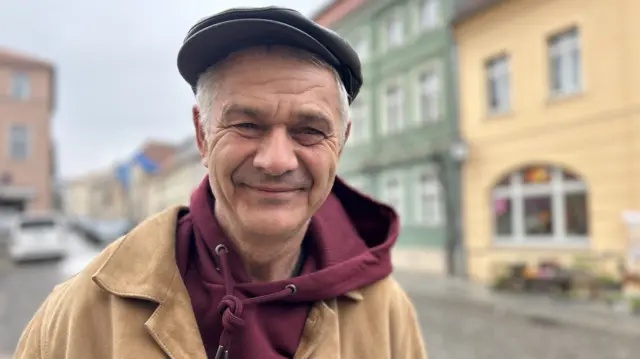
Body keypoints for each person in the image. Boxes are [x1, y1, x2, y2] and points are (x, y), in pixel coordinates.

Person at [14, 6, 427, 359]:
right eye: (247, 124)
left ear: (342, 142)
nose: (277, 160)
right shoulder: (82, 314)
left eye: (309, 130)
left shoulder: (386, 315)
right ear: (202, 135)